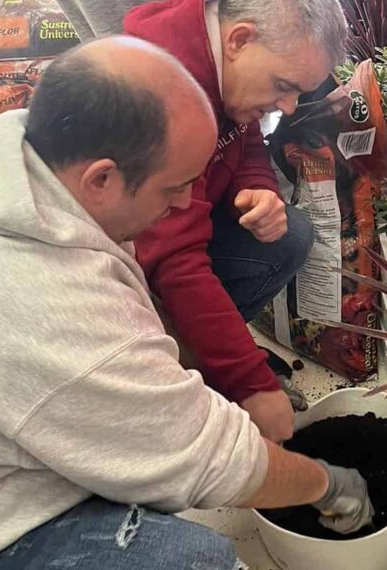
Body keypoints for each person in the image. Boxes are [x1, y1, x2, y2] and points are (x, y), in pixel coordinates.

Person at [0, 36, 372, 570]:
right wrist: (326, 483)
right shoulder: (52, 308)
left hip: (1, 427)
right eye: (174, 187)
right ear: (103, 179)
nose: (187, 201)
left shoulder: (16, 154)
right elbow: (209, 462)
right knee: (194, 560)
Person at [116, 0, 346, 445]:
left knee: (290, 235)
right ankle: (177, 369)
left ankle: (205, 352)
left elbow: (244, 135)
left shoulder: (221, 62)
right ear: (239, 39)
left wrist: (258, 184)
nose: (291, 107)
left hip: (170, 240)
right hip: (124, 275)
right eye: (283, 86)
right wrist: (250, 383)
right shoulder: (159, 98)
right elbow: (177, 262)